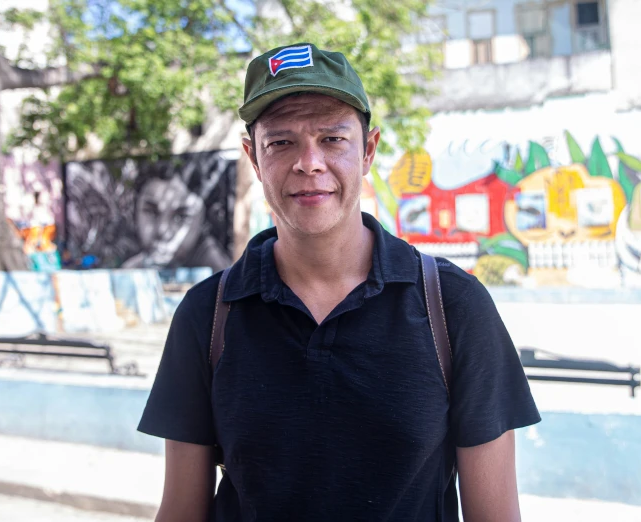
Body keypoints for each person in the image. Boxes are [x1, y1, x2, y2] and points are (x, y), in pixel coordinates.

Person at [138, 43, 540, 522]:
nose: (309, 163)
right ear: (253, 157)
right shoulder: (209, 314)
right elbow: (182, 511)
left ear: (368, 150)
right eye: (281, 143)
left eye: (332, 139)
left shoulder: (452, 306)